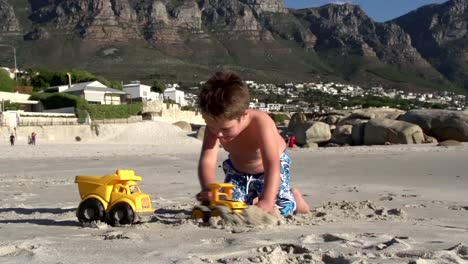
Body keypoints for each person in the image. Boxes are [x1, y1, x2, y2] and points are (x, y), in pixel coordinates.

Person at [196, 71, 310, 217]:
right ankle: (254, 197)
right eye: (211, 126)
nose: (218, 134)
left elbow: (272, 164)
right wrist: (208, 188)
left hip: (271, 168)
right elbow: (207, 161)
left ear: (244, 115)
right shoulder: (215, 126)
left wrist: (268, 200)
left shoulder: (261, 123)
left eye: (225, 129)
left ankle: (295, 199)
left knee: (278, 209)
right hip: (238, 171)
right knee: (231, 209)